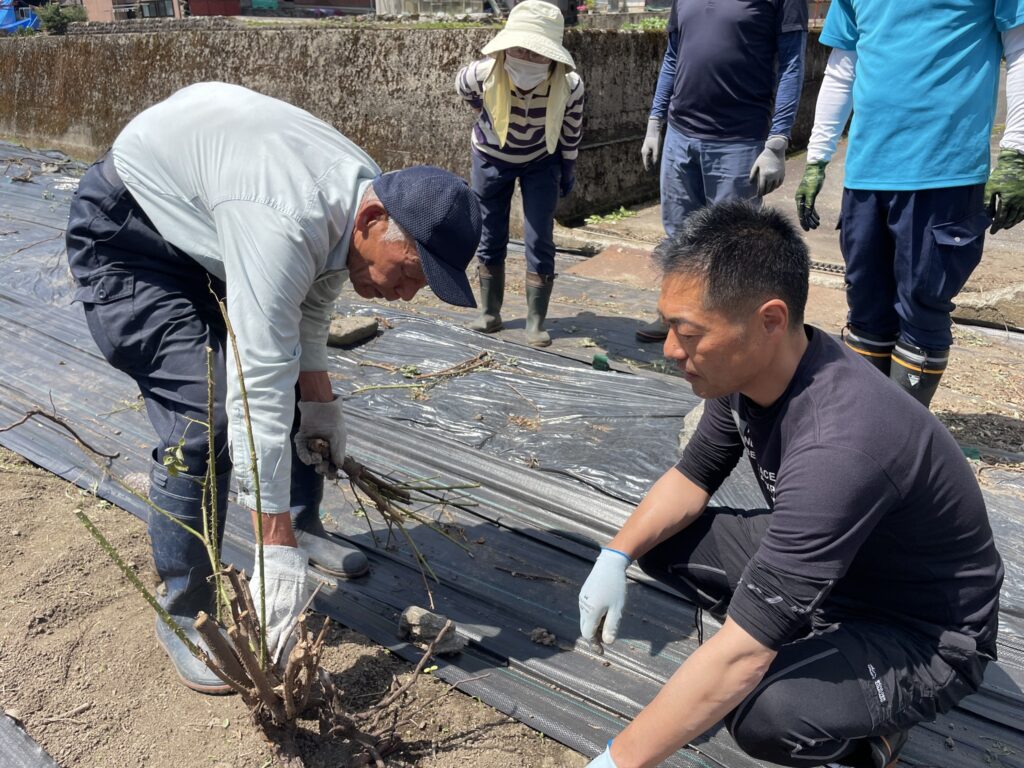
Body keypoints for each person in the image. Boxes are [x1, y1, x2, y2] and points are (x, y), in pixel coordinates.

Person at [65, 82, 482, 694]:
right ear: (372, 222)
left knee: (288, 385)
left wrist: (321, 408)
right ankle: (187, 613)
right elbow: (257, 375)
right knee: (204, 411)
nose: (406, 296)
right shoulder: (288, 219)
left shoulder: (358, 194)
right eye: (411, 274)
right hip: (130, 236)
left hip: (206, 222)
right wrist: (272, 550)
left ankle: (304, 522)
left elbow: (308, 311)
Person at [579, 202, 1003, 768]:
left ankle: (873, 736)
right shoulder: (745, 372)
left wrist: (617, 760)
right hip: (842, 570)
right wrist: (616, 553)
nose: (671, 351)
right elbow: (691, 477)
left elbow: (739, 660)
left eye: (688, 333)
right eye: (668, 326)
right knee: (658, 540)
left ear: (770, 320)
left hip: (921, 632)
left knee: (765, 713)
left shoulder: (842, 441)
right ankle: (802, 625)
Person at [794, 1, 1024, 407]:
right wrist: (816, 158)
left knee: (922, 305)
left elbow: (1020, 49)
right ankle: (867, 425)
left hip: (944, 169)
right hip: (867, 171)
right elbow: (843, 66)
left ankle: (904, 436)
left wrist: (1016, 153)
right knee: (865, 304)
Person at [634, 0, 808, 343]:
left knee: (732, 244)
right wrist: (656, 121)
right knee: (678, 236)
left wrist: (776, 142)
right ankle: (674, 318)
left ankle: (723, 332)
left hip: (738, 139)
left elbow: (792, 63)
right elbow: (673, 55)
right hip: (681, 134)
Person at [456, 0, 585, 347]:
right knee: (490, 232)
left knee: (539, 236)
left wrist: (568, 164)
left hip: (541, 160)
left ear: (553, 56)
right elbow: (461, 87)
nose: (526, 58)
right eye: (519, 49)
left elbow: (572, 127)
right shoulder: (484, 71)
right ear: (505, 46)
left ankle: (535, 321)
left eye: (536, 53)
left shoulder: (570, 84)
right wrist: (484, 108)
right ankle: (489, 312)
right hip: (491, 157)